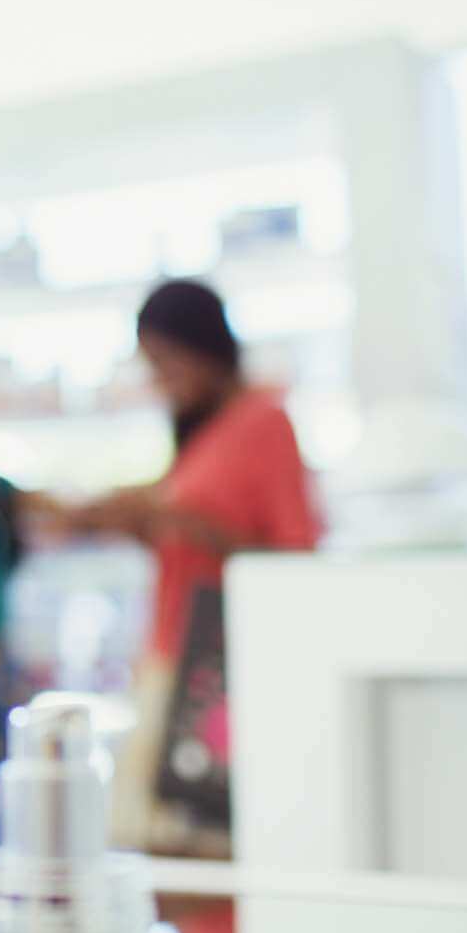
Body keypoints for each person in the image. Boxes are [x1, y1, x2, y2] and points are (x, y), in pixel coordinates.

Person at [67, 278, 321, 663]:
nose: (160, 381)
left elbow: (294, 559)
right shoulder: (203, 431)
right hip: (177, 643)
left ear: (202, 347)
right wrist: (140, 523)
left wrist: (186, 522)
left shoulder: (265, 423)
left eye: (166, 363)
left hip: (229, 654)